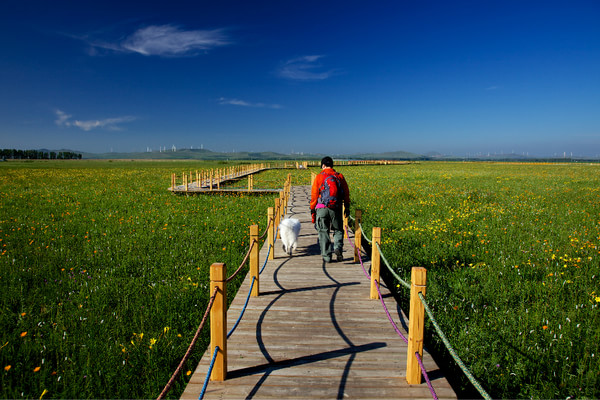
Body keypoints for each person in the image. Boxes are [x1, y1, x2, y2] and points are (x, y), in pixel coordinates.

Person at [310, 156, 350, 262]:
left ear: (323, 165)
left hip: (322, 208)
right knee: (338, 230)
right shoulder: (339, 176)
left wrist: (312, 209)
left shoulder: (319, 177)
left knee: (323, 232)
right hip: (336, 208)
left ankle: (327, 256)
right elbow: (346, 192)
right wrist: (347, 206)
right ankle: (338, 248)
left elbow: (314, 195)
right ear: (332, 165)